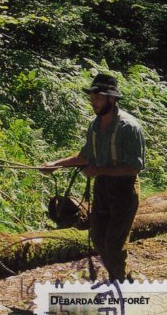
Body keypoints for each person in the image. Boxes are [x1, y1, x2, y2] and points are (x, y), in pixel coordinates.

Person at [41, 74, 145, 282]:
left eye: (98, 98)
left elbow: (134, 167)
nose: (93, 102)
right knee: (98, 239)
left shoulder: (129, 127)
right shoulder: (94, 127)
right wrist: (55, 164)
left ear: (112, 99)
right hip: (102, 188)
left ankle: (121, 285)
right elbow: (84, 156)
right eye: (92, 97)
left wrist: (98, 170)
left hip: (124, 190)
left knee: (114, 244)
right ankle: (125, 277)